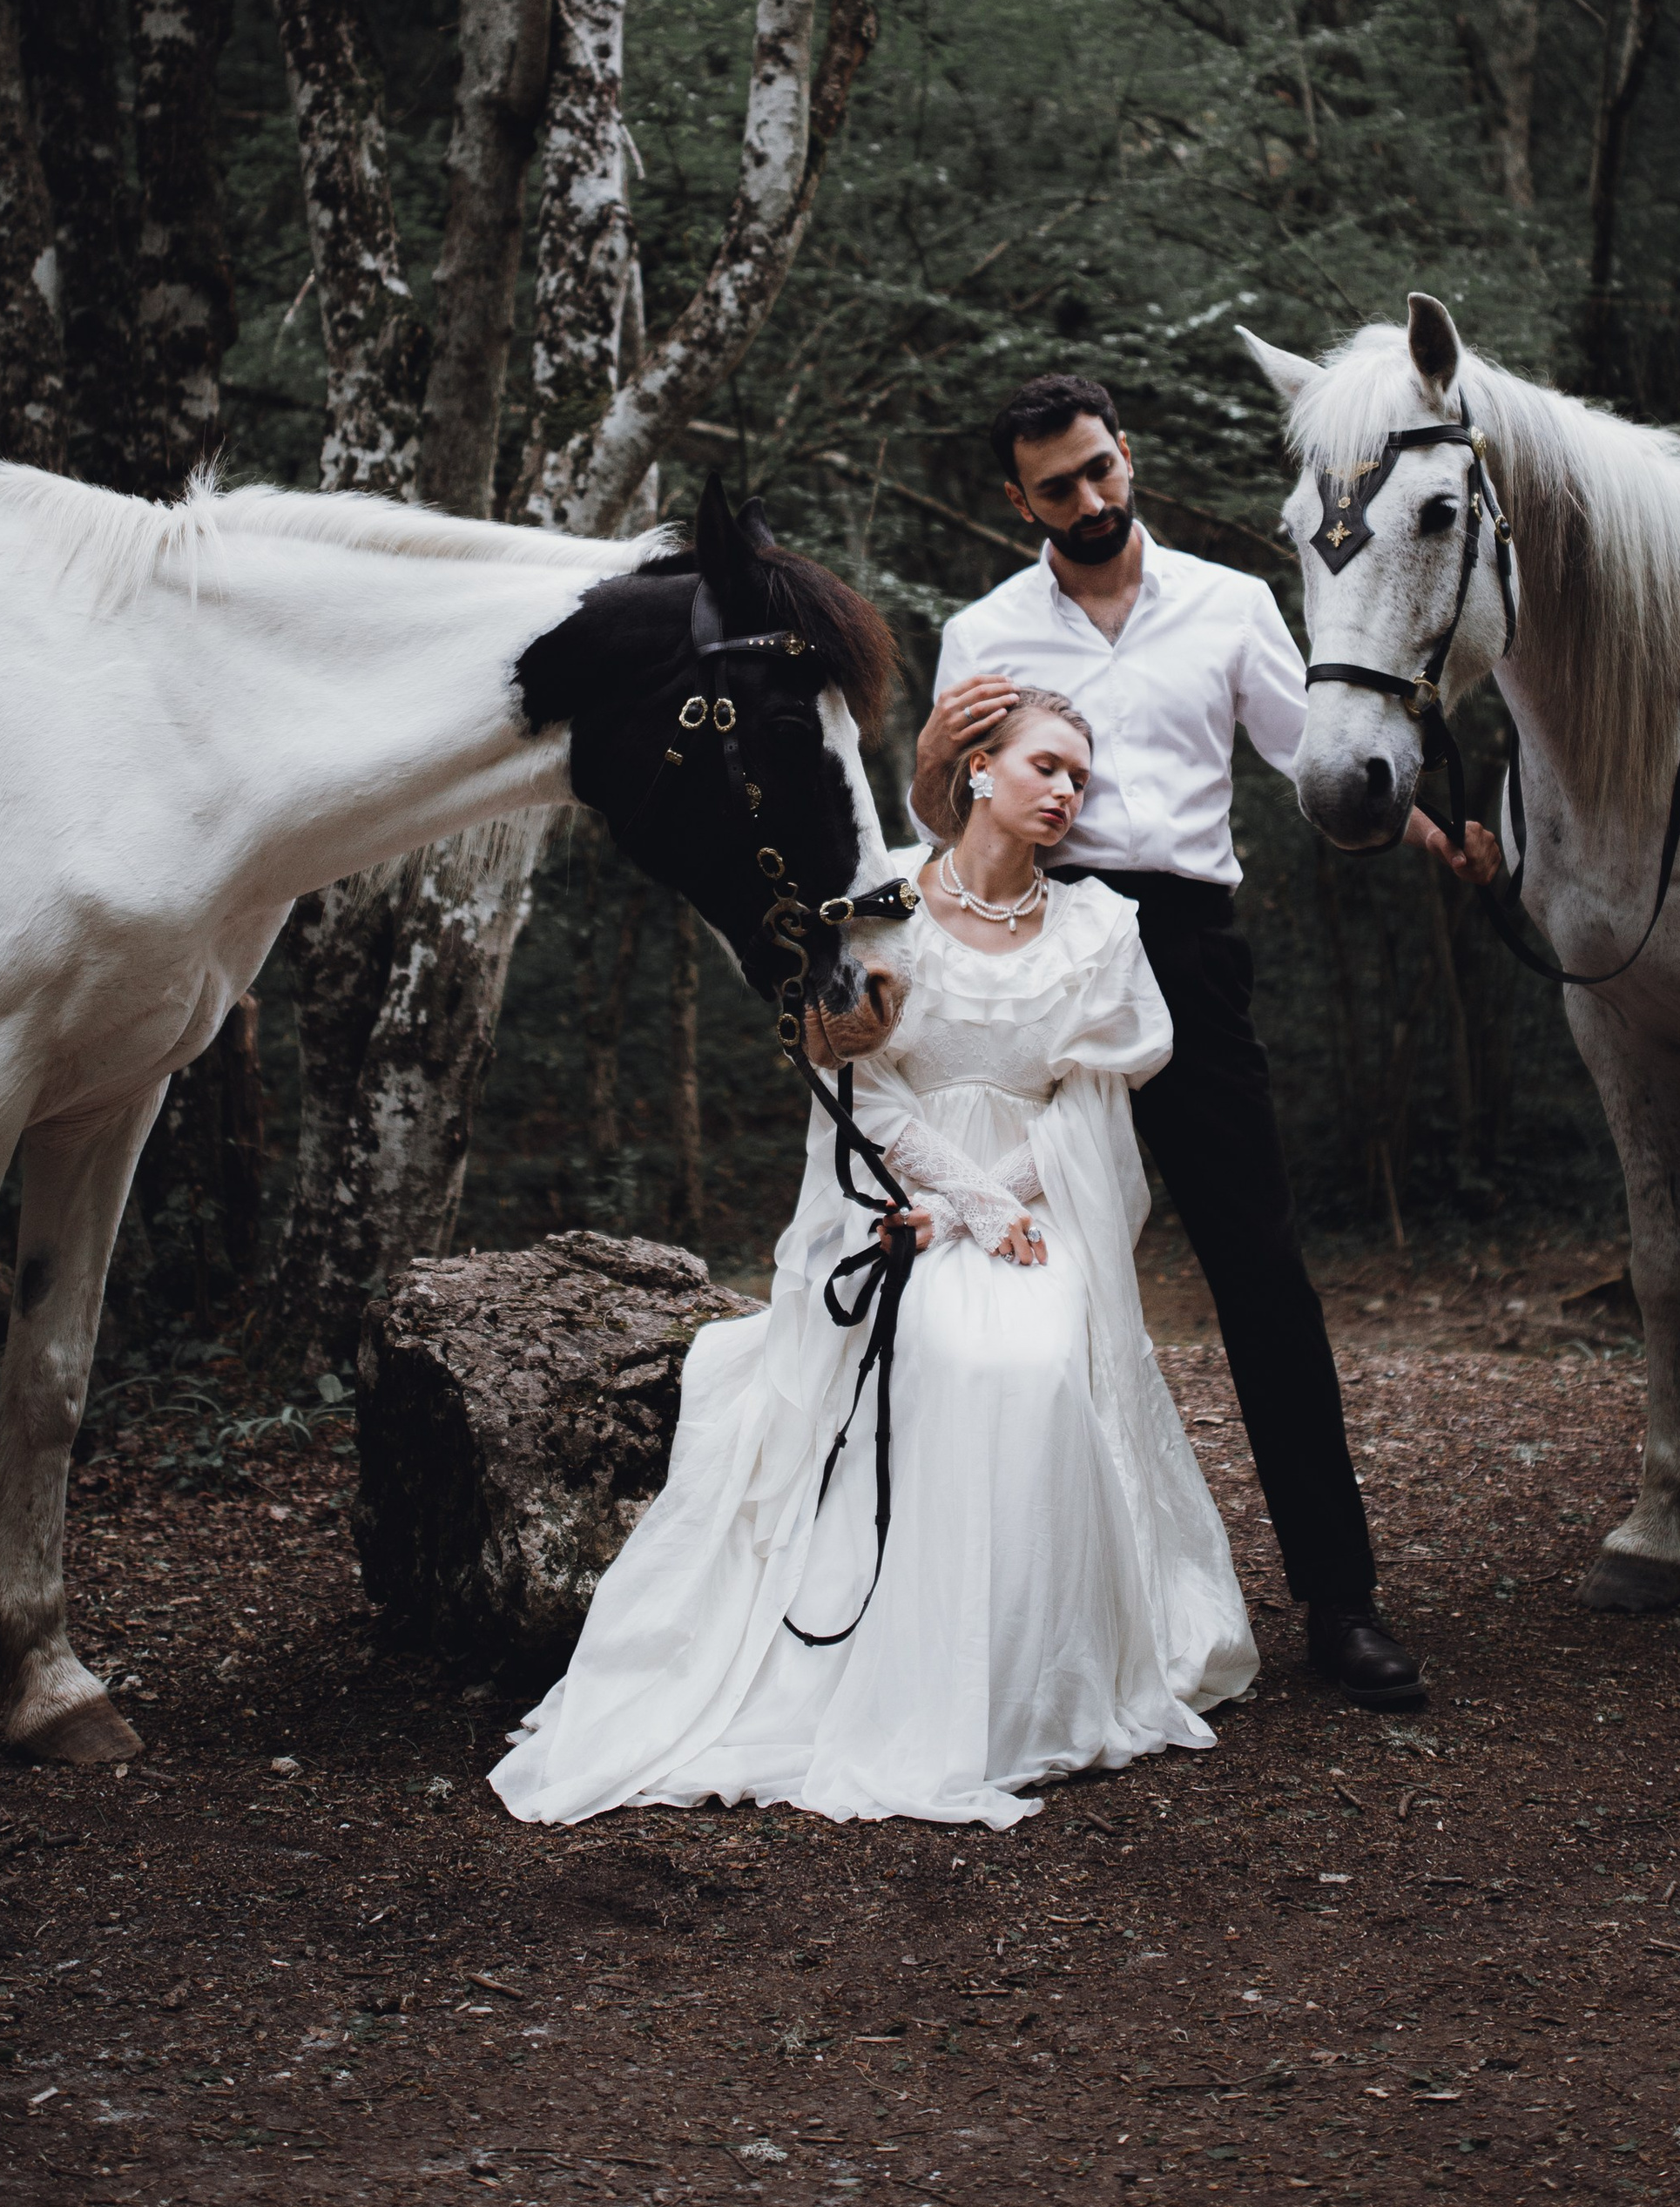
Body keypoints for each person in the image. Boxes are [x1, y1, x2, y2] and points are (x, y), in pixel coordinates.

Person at [489, 687, 1257, 1831]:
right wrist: (956, 1202)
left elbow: (1093, 1112)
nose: (1064, 792)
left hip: (1045, 1214)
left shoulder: (1100, 927)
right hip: (888, 1201)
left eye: (1080, 780)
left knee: (1033, 1363)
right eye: (1044, 765)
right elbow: (860, 1083)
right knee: (945, 1352)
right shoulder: (882, 900)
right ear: (979, 772)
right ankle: (887, 1668)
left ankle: (1025, 1687)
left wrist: (997, 1212)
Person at [916, 371, 1495, 1713]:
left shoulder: (1232, 607)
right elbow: (951, 818)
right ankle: (1014, 1618)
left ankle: (1340, 1605)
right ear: (1020, 501)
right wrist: (928, 763)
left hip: (1184, 959)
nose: (1093, 498)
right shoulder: (984, 632)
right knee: (1017, 1272)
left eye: (1103, 468)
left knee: (1260, 1276)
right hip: (1028, 959)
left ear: (1131, 457)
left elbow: (1325, 764)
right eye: (1059, 485)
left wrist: (1440, 838)